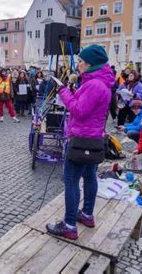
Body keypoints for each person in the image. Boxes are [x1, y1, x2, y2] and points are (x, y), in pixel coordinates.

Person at [46, 45, 115, 240]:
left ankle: (68, 225)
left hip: (81, 139)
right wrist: (72, 91)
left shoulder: (95, 85)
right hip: (92, 139)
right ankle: (86, 215)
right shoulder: (99, 82)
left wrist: (62, 91)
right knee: (90, 176)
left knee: (71, 180)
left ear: (91, 64)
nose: (78, 65)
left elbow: (79, 110)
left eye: (81, 62)